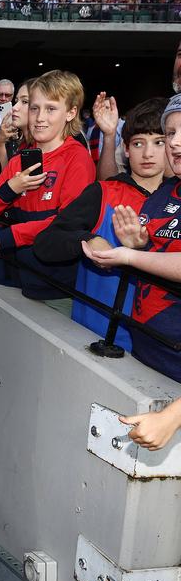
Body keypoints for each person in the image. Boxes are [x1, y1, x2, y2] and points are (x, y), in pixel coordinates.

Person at [33, 98, 168, 349]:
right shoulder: (103, 193)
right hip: (96, 339)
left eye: (159, 142)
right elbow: (46, 243)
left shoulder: (174, 203)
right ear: (126, 149)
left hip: (161, 349)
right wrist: (88, 239)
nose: (148, 153)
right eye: (138, 143)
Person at [79, 94, 181, 381]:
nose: (174, 142)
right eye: (171, 133)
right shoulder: (164, 194)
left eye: (161, 140)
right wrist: (139, 244)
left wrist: (130, 255)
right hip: (147, 347)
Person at [0, 70, 95, 295]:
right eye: (35, 108)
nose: (39, 118)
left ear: (70, 113)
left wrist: (8, 236)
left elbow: (65, 224)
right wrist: (11, 189)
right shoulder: (19, 160)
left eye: (51, 109)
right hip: (7, 276)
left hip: (50, 286)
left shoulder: (77, 158)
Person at [0, 79, 31, 168]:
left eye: (25, 101)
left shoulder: (45, 145)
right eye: (16, 101)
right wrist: (0, 142)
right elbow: (6, 173)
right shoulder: (24, 145)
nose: (14, 107)